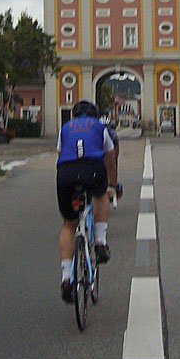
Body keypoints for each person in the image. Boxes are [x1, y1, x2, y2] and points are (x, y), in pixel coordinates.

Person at [56, 100, 121, 303]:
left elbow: (60, 153)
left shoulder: (65, 128)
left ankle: (66, 278)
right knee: (101, 195)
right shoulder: (100, 128)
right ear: (94, 115)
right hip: (92, 169)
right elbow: (110, 160)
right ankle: (100, 242)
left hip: (66, 173)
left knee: (68, 225)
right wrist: (114, 185)